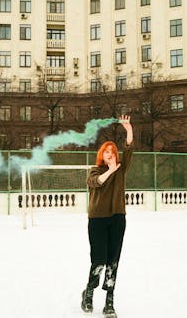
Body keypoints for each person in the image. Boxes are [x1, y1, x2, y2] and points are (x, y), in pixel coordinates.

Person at [81, 115, 133, 318]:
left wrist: (128, 129)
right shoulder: (95, 170)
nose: (110, 155)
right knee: (99, 260)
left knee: (113, 261)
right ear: (102, 155)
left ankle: (109, 302)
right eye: (107, 152)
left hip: (118, 219)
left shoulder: (121, 170)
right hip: (97, 221)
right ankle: (88, 293)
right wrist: (109, 171)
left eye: (113, 152)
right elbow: (96, 182)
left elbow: (129, 148)